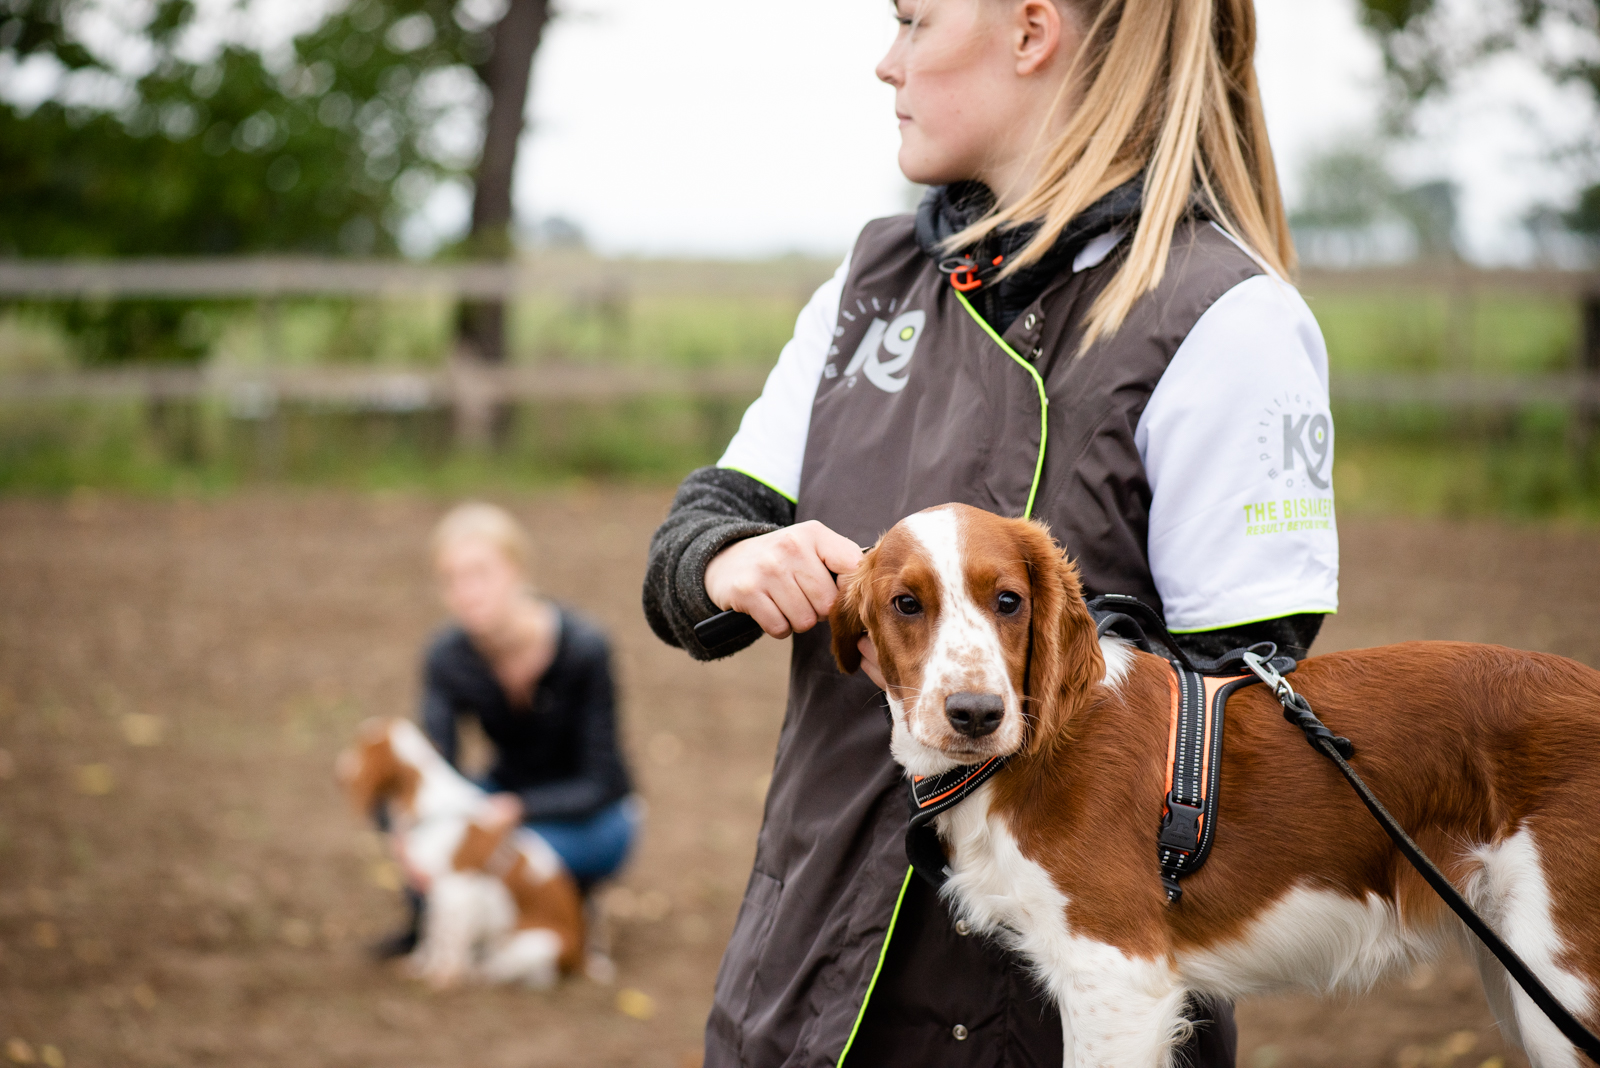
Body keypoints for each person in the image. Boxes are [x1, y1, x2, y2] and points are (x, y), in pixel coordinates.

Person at [643, 0, 1338, 1064]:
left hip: (1054, 1010)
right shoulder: (866, 285)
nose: (887, 63)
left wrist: (1007, 651)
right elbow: (694, 540)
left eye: (915, 20)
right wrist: (728, 559)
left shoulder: (1224, 315)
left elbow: (1244, 705)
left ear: (1028, 32)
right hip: (799, 980)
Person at [377, 502, 637, 958]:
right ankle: (428, 919)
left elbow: (601, 781)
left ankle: (569, 904)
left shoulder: (584, 648)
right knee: (436, 831)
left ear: (517, 571)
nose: (466, 592)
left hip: (594, 814)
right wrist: (407, 829)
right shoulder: (448, 657)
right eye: (452, 579)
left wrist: (515, 810)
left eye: (480, 573)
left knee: (503, 855)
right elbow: (438, 768)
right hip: (503, 796)